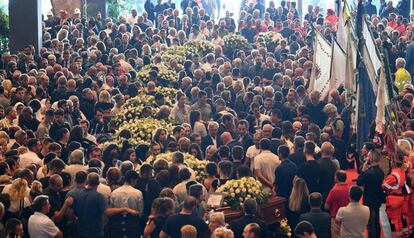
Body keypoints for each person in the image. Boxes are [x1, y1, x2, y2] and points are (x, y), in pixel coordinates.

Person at [69, 173, 139, 238]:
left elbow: (71, 213)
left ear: (87, 182)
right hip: (95, 232)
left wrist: (76, 222)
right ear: (98, 183)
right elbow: (107, 212)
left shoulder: (78, 195)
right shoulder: (98, 196)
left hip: (80, 231)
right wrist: (125, 209)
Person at [356, 149, 385, 238]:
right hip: (377, 198)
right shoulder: (380, 171)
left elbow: (359, 182)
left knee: (370, 224)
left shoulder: (368, 173)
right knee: (376, 222)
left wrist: (363, 171)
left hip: (369, 199)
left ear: (371, 158)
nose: (366, 158)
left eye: (368, 156)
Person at [325, 170, 350, 238]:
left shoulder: (334, 190)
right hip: (347, 218)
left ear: (336, 178)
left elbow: (326, 206)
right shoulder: (349, 189)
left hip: (336, 218)